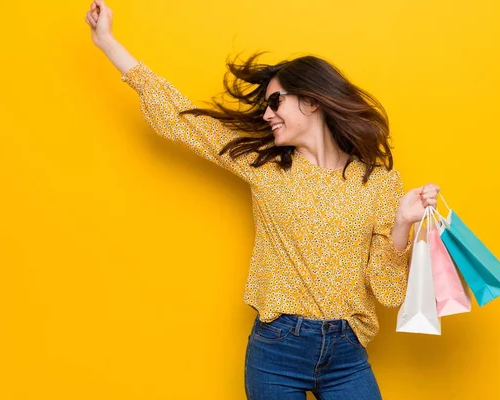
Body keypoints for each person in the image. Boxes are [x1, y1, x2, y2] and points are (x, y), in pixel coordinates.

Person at [85, 1, 440, 398]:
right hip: (278, 350)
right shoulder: (266, 165)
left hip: (347, 351)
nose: (268, 115)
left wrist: (403, 223)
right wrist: (108, 43)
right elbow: (180, 117)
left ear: (312, 100)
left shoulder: (378, 182)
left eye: (275, 102)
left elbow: (388, 291)